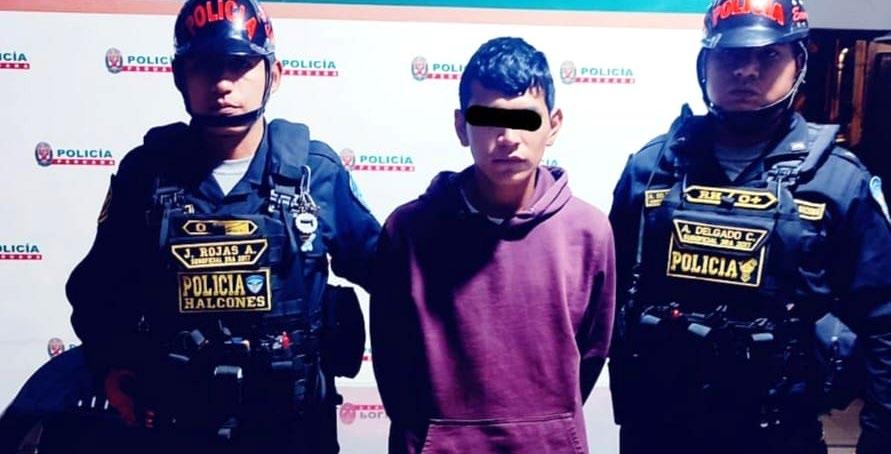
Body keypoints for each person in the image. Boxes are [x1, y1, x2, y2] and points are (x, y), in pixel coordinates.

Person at [19, 0, 380, 451]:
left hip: (293, 429)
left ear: (274, 73)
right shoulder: (146, 175)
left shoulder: (315, 173)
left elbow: (392, 276)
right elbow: (96, 292)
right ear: (179, 76)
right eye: (204, 66)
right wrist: (110, 365)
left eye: (240, 64)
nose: (223, 83)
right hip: (175, 429)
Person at [607, 1, 891, 453]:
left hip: (778, 433)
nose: (746, 70)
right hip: (659, 430)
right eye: (730, 56)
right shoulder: (653, 168)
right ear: (705, 64)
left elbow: (883, 322)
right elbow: (609, 295)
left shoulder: (839, 181)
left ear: (799, 62)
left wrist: (879, 437)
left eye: (768, 55)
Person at [371, 37, 615, 454]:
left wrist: (549, 427)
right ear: (460, 126)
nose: (507, 137)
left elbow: (591, 354)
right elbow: (393, 360)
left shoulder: (588, 231)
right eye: (488, 119)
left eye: (526, 119)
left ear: (554, 124)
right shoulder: (409, 229)